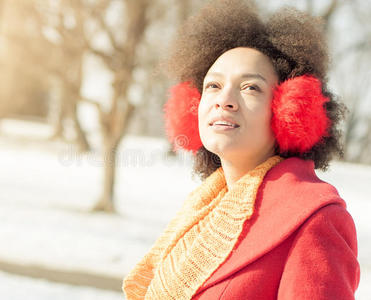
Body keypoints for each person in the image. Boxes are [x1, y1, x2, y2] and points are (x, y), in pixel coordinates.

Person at [122, 0, 360, 299]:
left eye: (250, 87)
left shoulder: (315, 219)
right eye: (213, 86)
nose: (225, 100)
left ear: (290, 108)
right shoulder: (201, 210)